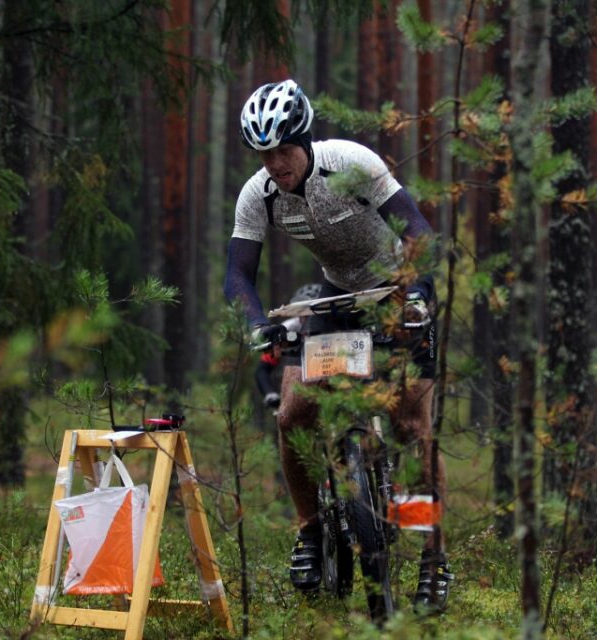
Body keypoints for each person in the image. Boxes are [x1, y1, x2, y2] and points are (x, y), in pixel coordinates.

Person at [224, 79, 452, 613]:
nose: (276, 163)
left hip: (400, 288)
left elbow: (416, 228)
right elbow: (237, 272)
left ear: (304, 139)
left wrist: (416, 290)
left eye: (284, 149)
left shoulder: (349, 162)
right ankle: (309, 532)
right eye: (265, 154)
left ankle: (432, 557)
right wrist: (258, 323)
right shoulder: (259, 195)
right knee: (293, 413)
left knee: (411, 427)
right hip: (338, 297)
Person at [254, 283, 321, 413]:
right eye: (305, 314)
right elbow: (262, 369)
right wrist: (270, 393)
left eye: (315, 314)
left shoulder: (335, 325)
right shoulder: (289, 328)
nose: (309, 319)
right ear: (298, 314)